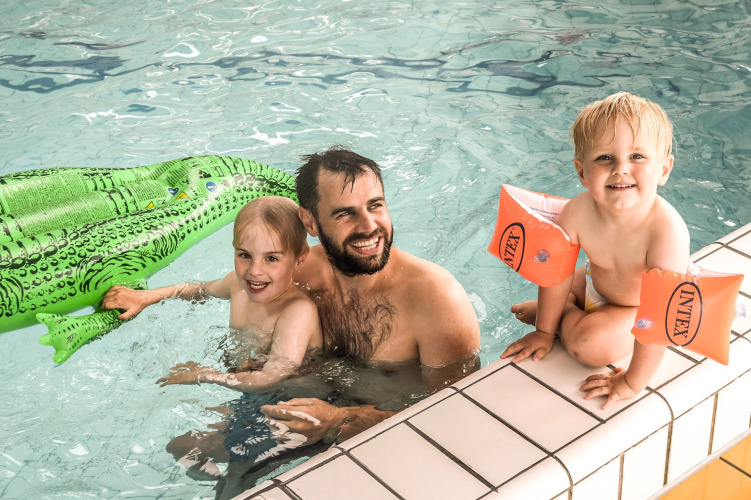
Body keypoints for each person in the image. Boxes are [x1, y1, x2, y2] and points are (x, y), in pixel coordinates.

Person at [257, 146, 481, 446]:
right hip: (307, 407)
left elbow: (457, 412)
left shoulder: (436, 298)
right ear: (309, 223)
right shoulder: (298, 274)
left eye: (375, 206)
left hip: (389, 437)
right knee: (188, 450)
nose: (368, 226)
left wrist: (338, 421)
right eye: (345, 213)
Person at [501, 92, 690, 410]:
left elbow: (658, 317)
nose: (620, 169)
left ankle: (566, 314)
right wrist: (544, 333)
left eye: (637, 157)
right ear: (581, 171)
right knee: (561, 279)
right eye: (605, 158)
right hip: (591, 279)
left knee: (588, 347)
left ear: (664, 169)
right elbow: (556, 275)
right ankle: (556, 315)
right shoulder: (576, 212)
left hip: (633, 307)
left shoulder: (665, 232)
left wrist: (632, 381)